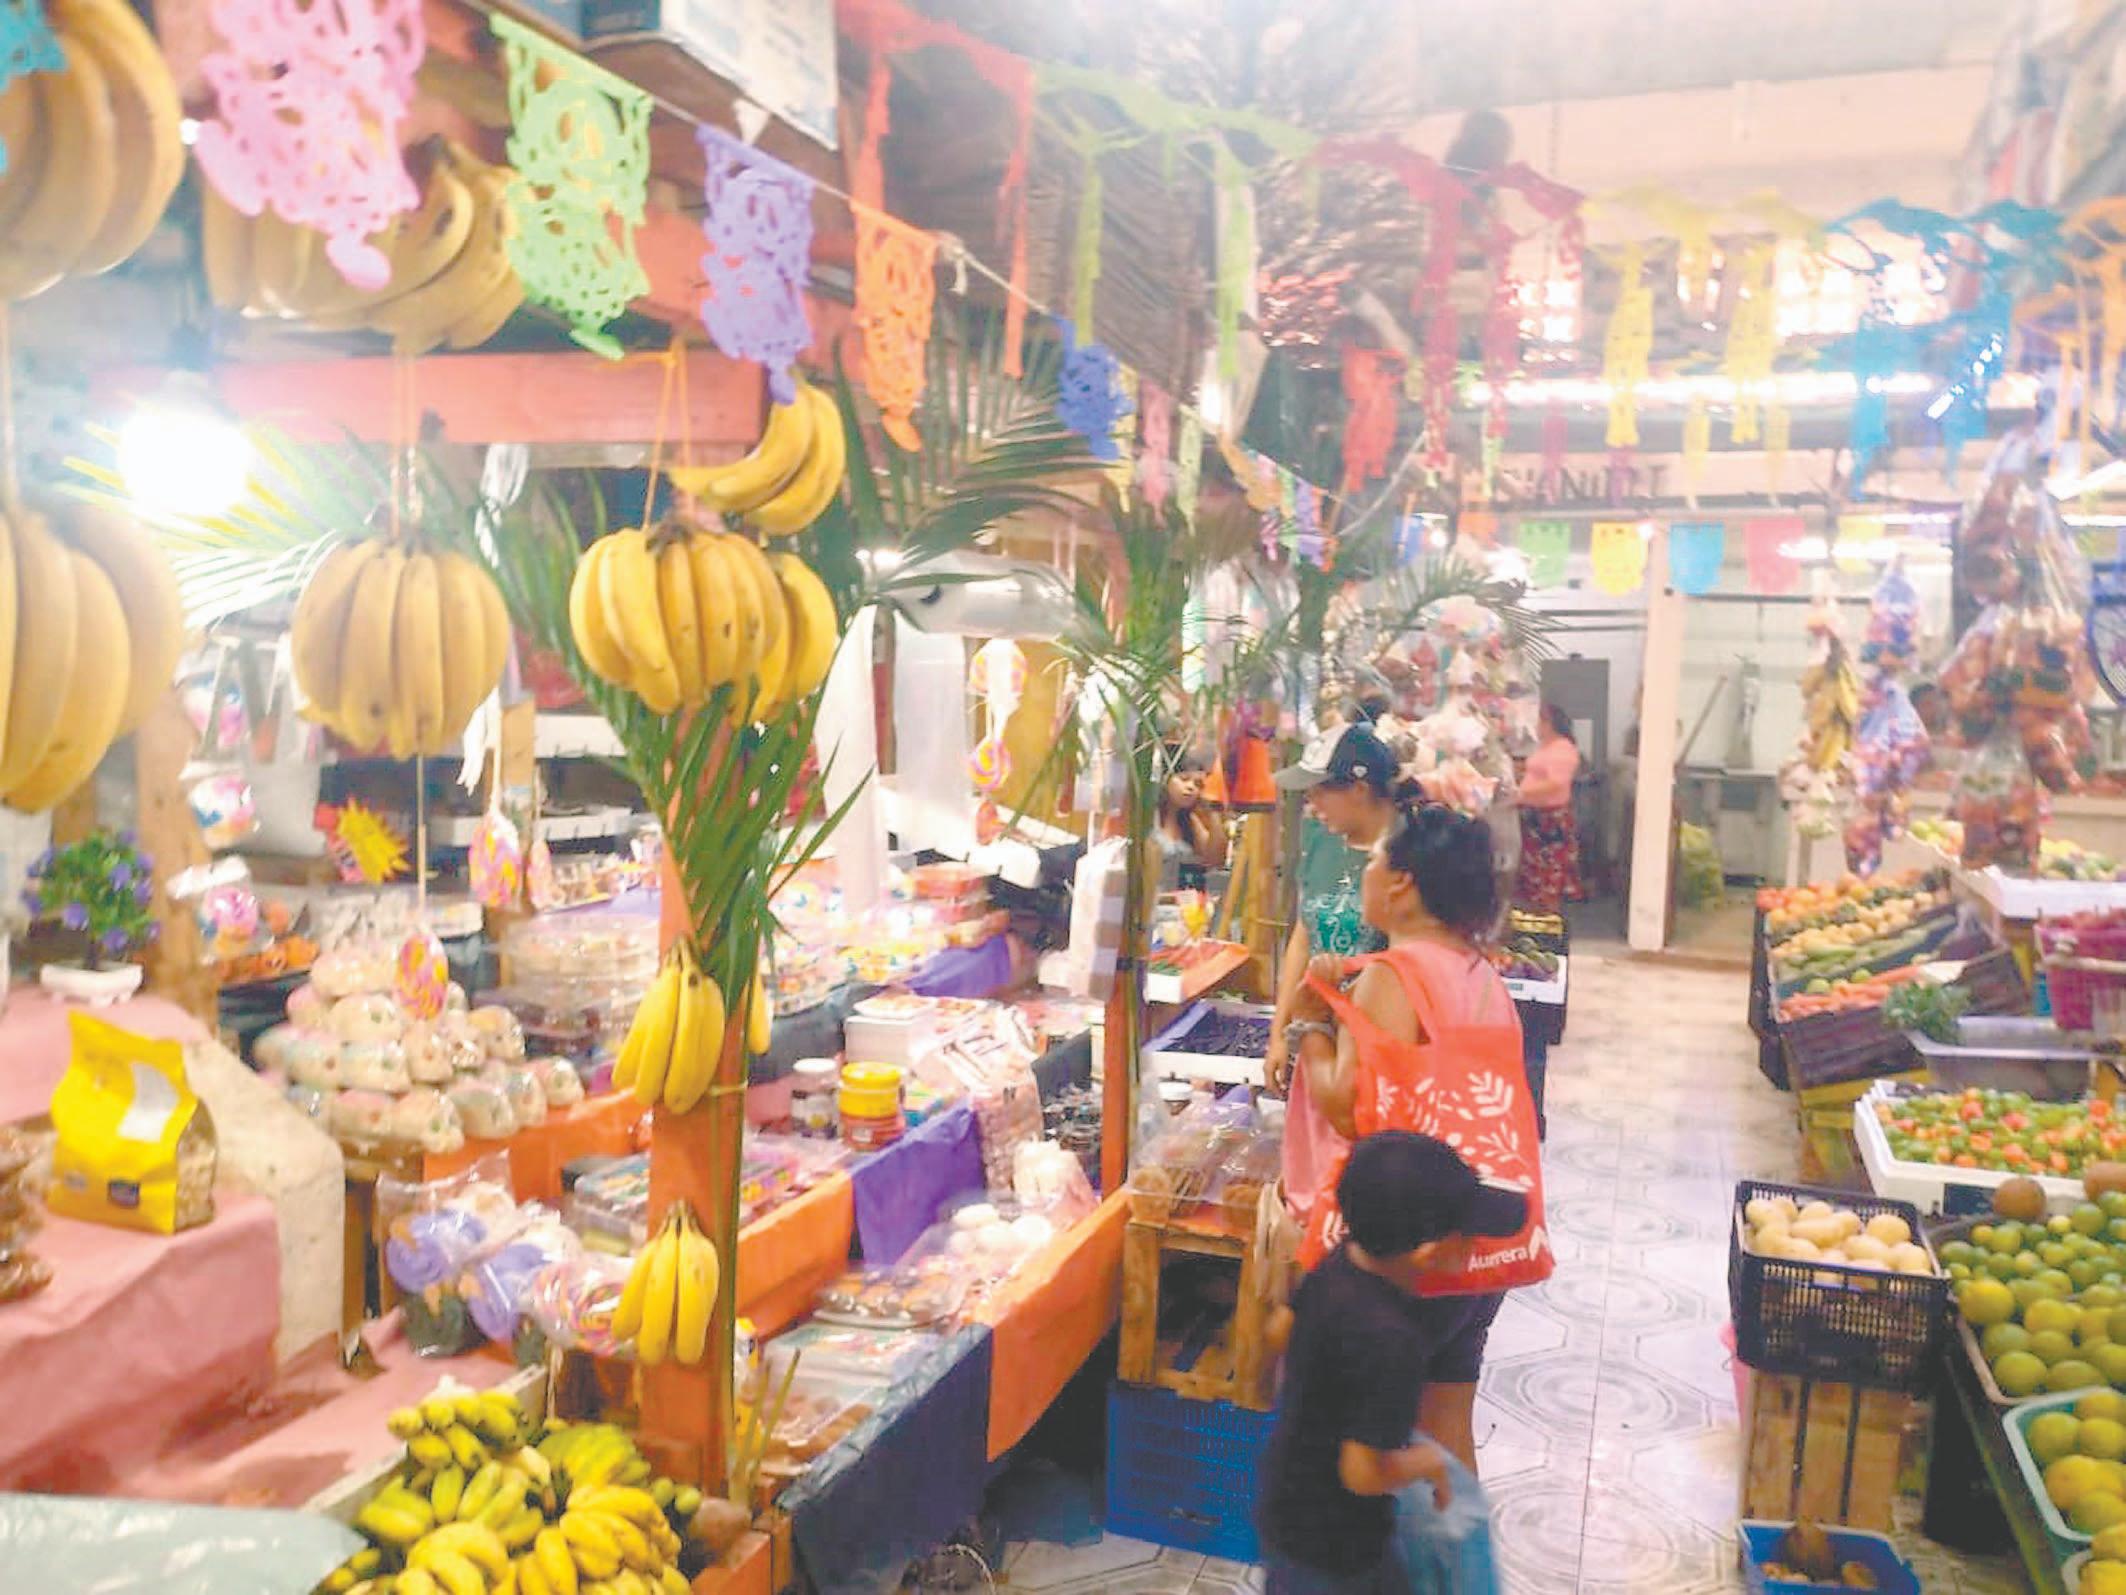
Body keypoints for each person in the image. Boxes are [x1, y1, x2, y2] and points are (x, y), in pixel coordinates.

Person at [1285, 802, 1526, 1473]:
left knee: (1373, 1443)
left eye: (1373, 861)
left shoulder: (1395, 974)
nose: (1364, 873)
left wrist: (1309, 1025)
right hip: (1476, 1235)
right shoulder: (1484, 975)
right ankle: (1459, 1537)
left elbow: (1351, 1110)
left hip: (1407, 1245)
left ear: (1403, 883)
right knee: (1448, 1422)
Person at [1258, 1131, 1529, 1595]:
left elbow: (1280, 1331)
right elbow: (1362, 1473)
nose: (1476, 1243)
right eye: (1469, 1234)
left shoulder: (1337, 1264)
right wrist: (1427, 1462)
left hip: (1285, 1502)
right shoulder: (1394, 1343)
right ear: (1430, 1252)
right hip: (1339, 1549)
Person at [1267, 724, 1407, 1229]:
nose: (1311, 804)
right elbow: (1303, 936)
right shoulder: (1320, 844)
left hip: (1373, 1055)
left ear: (1360, 789)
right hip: (1315, 1039)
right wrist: (1281, 1030)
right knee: (1312, 1183)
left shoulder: (1408, 855)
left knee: (1361, 1189)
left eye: (1320, 790)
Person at [1515, 703, 1582, 912]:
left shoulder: (1563, 749)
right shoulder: (1544, 747)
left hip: (1551, 819)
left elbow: (1556, 783)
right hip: (1534, 816)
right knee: (1534, 872)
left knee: (1550, 873)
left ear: (1548, 723)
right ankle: (1537, 917)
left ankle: (1549, 918)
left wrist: (1521, 794)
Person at [1154, 746, 1227, 889]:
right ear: (1166, 779)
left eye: (1198, 784)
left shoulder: (1190, 821)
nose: (1191, 787)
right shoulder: (1149, 817)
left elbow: (1215, 861)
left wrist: (1213, 809)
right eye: (1184, 779)